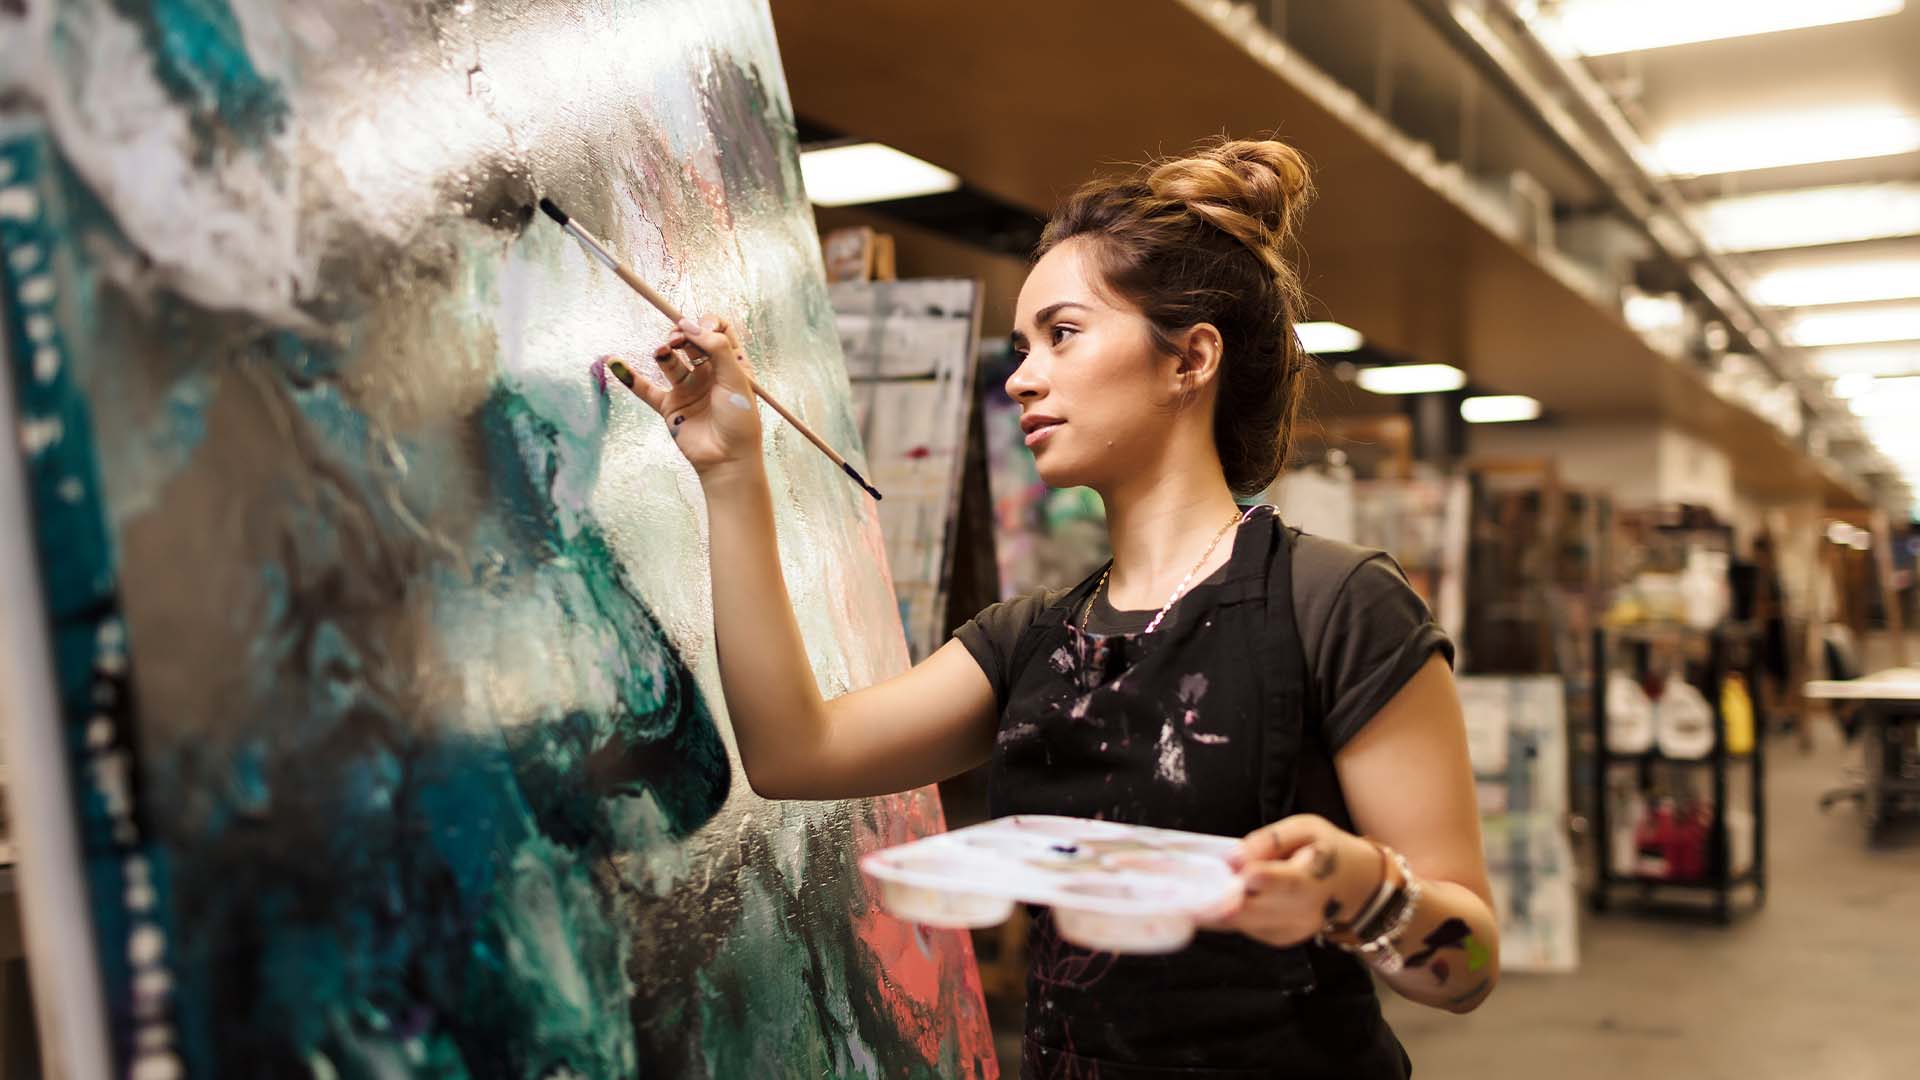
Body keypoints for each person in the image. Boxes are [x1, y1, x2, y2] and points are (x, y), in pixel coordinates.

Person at [614, 138, 1498, 1078]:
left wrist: (1362, 888)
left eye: (1063, 334)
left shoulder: (1336, 603)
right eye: (1021, 346)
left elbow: (1468, 968)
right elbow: (797, 753)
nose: (1023, 377)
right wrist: (731, 472)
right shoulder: (1032, 638)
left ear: (1190, 359)